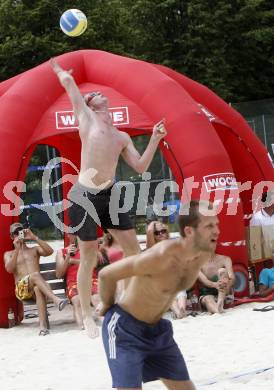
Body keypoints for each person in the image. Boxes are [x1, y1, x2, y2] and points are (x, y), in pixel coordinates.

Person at [51, 58, 167, 338]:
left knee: (133, 251)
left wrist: (154, 139)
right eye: (95, 94)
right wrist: (60, 72)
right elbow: (70, 88)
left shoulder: (121, 136)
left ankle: (126, 305)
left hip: (110, 194)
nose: (101, 94)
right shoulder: (87, 119)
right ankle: (88, 317)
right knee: (88, 255)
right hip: (84, 195)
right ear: (91, 103)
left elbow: (140, 167)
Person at [98, 200, 219, 390]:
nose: (216, 231)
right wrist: (106, 304)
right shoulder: (160, 256)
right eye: (209, 226)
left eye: (217, 224)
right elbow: (106, 274)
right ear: (189, 231)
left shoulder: (202, 253)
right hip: (124, 329)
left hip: (157, 330)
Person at [4, 223, 69, 336]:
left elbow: (50, 251)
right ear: (11, 236)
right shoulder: (9, 254)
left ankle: (43, 327)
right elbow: (9, 269)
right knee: (34, 275)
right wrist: (17, 250)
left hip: (36, 287)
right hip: (21, 290)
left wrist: (35, 238)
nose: (19, 234)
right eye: (16, 233)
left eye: (21, 231)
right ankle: (56, 300)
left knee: (38, 289)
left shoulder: (34, 250)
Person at [147, 220, 187, 318]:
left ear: (167, 231)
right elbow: (149, 231)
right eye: (157, 233)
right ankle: (178, 312)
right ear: (153, 236)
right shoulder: (153, 248)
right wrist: (154, 223)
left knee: (180, 291)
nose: (160, 234)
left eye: (163, 231)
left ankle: (182, 310)